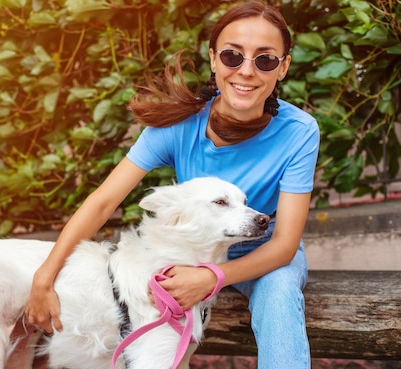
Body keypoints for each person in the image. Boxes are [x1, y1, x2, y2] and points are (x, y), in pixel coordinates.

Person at [25, 1, 319, 368]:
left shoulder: (299, 131)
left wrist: (211, 278)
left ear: (283, 67)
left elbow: (285, 245)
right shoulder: (181, 124)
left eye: (265, 60)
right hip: (192, 249)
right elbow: (103, 202)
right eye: (232, 56)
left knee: (279, 291)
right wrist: (45, 273)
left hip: (263, 247)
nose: (246, 71)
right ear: (213, 59)